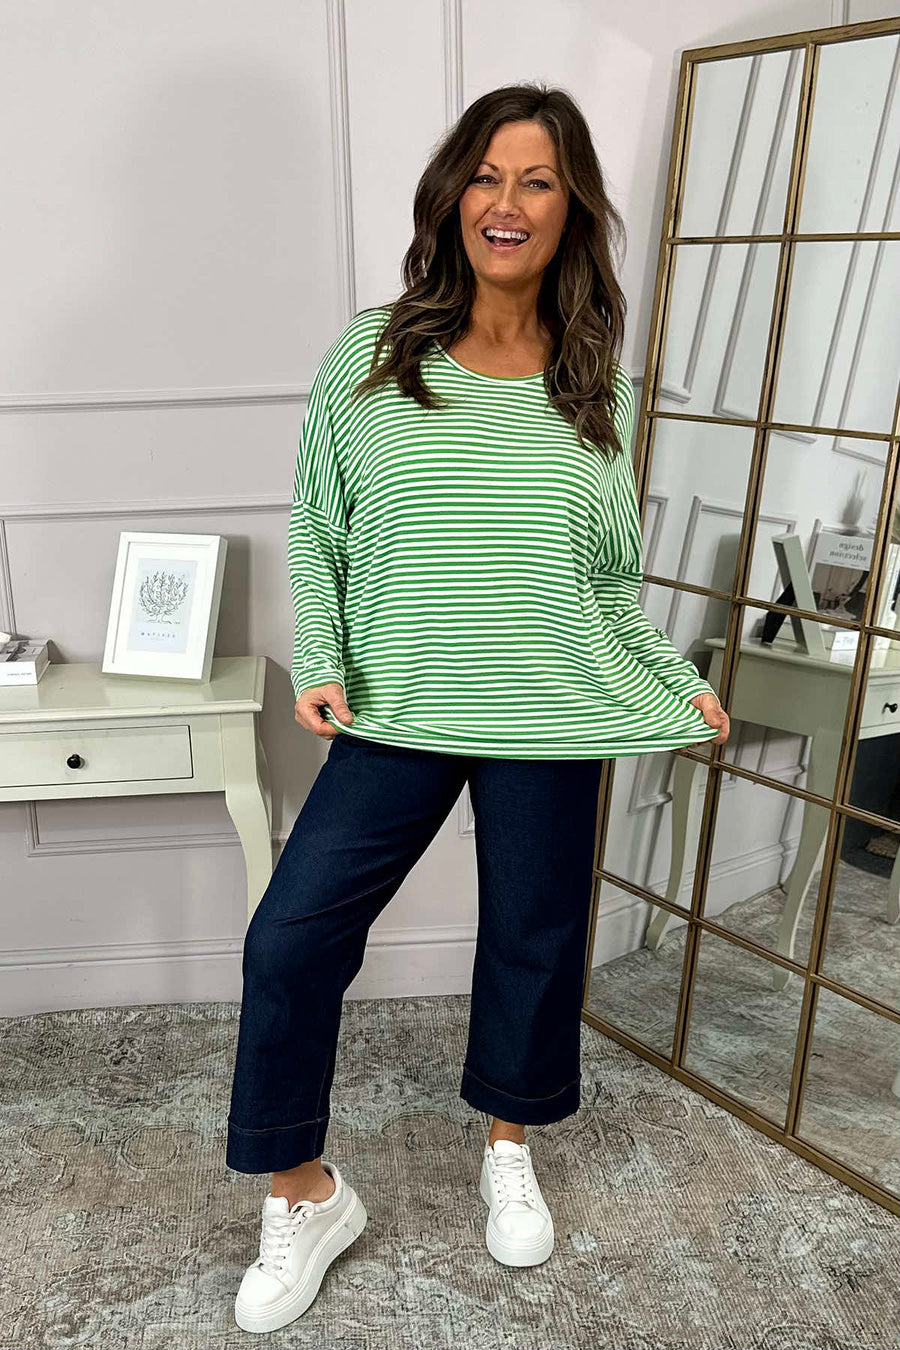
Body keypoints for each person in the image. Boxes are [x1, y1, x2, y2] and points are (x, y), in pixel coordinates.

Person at [226, 82, 730, 1334]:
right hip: (399, 705)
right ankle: (303, 1193)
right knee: (290, 939)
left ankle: (510, 1142)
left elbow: (603, 580)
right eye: (488, 176)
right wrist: (323, 655)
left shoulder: (601, 384)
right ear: (454, 195)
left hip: (552, 709)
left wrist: (670, 675)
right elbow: (321, 521)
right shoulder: (373, 351)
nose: (507, 203)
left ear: (572, 210)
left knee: (533, 938)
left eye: (537, 180)